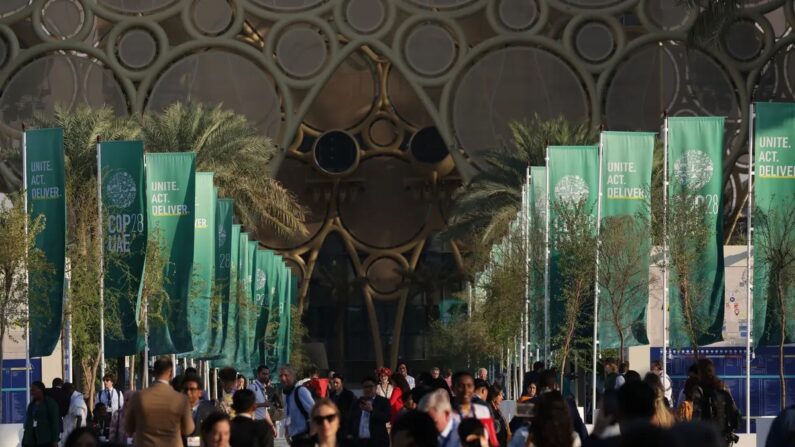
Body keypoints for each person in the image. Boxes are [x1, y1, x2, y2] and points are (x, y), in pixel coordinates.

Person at [125, 356, 194, 447]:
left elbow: (129, 429)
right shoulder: (181, 399)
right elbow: (188, 429)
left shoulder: (138, 397)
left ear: (154, 373)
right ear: (171, 374)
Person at [694, 358, 740, 446]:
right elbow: (734, 412)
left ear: (700, 372)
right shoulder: (723, 387)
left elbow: (696, 415)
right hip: (724, 439)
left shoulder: (699, 389)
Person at [452, 371, 498, 447]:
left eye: (469, 386)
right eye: (460, 386)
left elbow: (493, 440)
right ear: (453, 388)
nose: (466, 390)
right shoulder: (446, 416)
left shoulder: (483, 411)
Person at [343, 376, 391, 447]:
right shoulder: (357, 403)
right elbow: (350, 419)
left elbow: (387, 417)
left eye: (370, 386)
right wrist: (349, 434)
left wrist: (372, 410)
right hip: (359, 441)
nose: (368, 389)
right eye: (365, 387)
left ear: (376, 387)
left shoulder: (383, 401)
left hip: (377, 441)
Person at [279, 364, 315, 443]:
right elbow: (288, 413)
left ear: (293, 375)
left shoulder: (301, 391)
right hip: (295, 438)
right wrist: (287, 430)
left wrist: (312, 434)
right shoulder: (286, 394)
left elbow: (314, 412)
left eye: (286, 375)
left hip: (305, 437)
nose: (283, 378)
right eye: (280, 376)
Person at [22, 381, 60, 447]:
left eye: (33, 390)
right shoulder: (31, 405)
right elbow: (28, 423)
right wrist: (25, 440)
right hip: (31, 440)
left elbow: (55, 422)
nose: (31, 393)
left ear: (41, 390)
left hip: (45, 439)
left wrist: (55, 440)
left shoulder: (50, 403)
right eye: (31, 390)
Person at [183, 373, 217, 445]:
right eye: (186, 389)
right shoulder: (176, 410)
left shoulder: (210, 411)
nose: (188, 392)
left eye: (192, 389)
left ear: (200, 393)